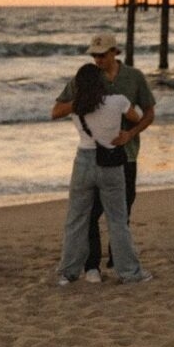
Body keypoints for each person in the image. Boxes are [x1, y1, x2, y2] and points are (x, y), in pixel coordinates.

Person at [54, 33, 155, 281]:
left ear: (114, 53)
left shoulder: (133, 78)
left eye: (102, 55)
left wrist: (130, 134)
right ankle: (93, 266)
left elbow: (148, 113)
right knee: (99, 217)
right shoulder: (87, 80)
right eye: (94, 55)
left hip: (123, 155)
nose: (98, 59)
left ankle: (106, 263)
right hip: (104, 159)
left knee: (117, 212)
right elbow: (57, 109)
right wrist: (82, 101)